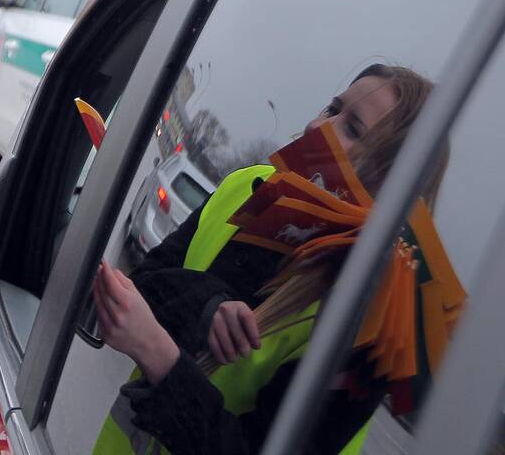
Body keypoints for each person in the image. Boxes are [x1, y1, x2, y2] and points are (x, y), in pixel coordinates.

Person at [92, 64, 447, 455]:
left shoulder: (374, 321)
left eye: (353, 129)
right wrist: (206, 308)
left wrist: (159, 355)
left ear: (390, 181)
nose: (317, 126)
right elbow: (146, 279)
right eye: (333, 108)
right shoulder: (250, 186)